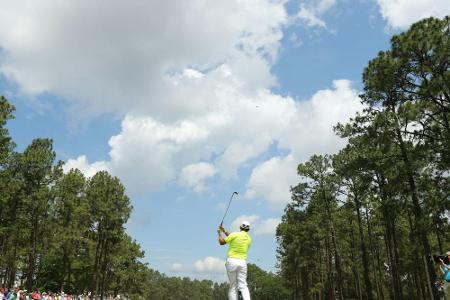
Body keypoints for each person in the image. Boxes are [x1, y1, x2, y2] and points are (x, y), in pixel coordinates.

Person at [218, 220, 252, 300]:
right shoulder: (249, 239)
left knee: (233, 286)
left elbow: (222, 242)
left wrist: (219, 233)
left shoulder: (235, 235)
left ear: (240, 227)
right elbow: (232, 237)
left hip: (232, 261)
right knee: (243, 285)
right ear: (248, 229)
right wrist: (224, 230)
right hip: (242, 263)